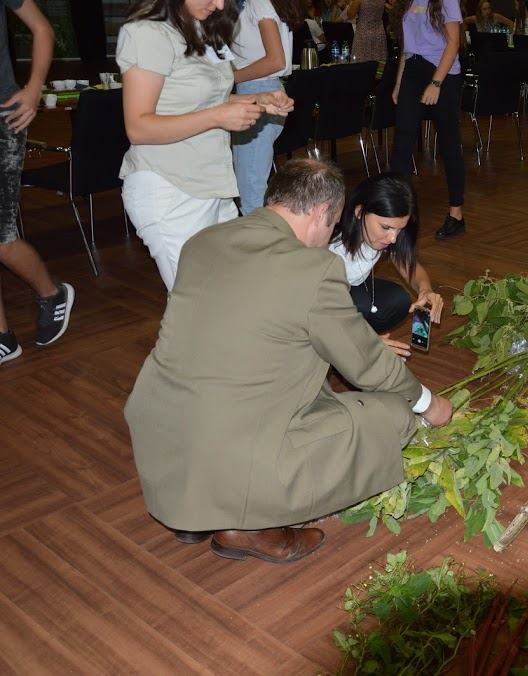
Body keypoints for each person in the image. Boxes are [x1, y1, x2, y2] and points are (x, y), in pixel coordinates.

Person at [124, 158, 454, 563]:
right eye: (333, 225)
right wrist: (428, 403)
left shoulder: (203, 241)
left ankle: (198, 507)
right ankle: (253, 526)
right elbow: (367, 364)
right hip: (235, 449)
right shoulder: (314, 268)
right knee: (391, 414)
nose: (332, 233)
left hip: (163, 440)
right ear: (320, 213)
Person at [117, 0, 294, 291]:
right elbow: (138, 127)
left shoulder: (198, 28)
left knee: (230, 300)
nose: (220, 4)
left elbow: (202, 100)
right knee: (200, 310)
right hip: (170, 190)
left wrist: (256, 100)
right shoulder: (146, 32)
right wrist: (216, 117)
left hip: (212, 187)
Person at [0, 0, 74, 364]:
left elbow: (43, 29)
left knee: (1, 239)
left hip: (3, 119)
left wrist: (33, 90)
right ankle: (2, 338)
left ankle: (52, 293)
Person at [329, 173, 443, 354]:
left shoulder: (384, 235)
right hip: (323, 302)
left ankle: (355, 346)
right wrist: (363, 342)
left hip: (353, 289)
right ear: (359, 212)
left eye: (400, 229)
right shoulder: (330, 247)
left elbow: (409, 266)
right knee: (361, 306)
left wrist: (425, 289)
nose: (392, 238)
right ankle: (342, 353)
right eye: (386, 227)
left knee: (398, 300)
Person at [390, 0, 466, 240]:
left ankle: (456, 214)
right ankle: (398, 213)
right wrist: (399, 83)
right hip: (413, 69)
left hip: (442, 73)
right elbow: (407, 47)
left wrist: (436, 83)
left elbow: (454, 42)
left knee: (449, 143)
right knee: (402, 141)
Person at [232, 0, 304, 215]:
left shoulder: (258, 3)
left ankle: (261, 244)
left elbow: (276, 61)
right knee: (252, 184)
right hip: (263, 89)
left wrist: (226, 78)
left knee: (251, 190)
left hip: (257, 90)